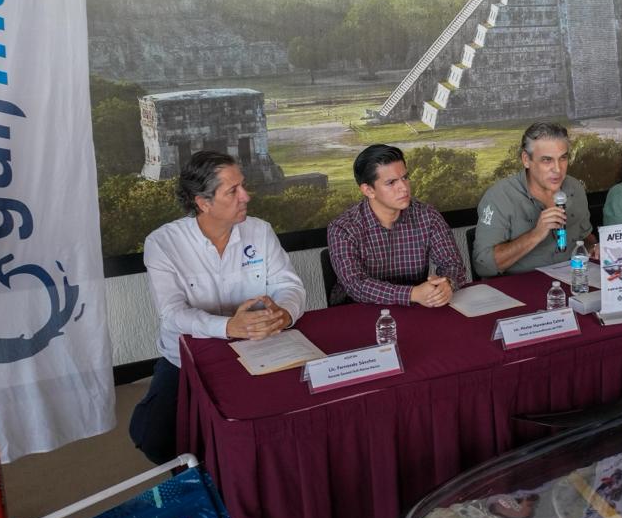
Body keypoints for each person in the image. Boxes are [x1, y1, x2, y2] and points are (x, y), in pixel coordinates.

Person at [131, 151, 304, 464]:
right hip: (189, 357)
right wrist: (227, 327)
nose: (246, 196)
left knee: (287, 424)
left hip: (259, 348)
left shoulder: (260, 231)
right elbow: (172, 313)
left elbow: (290, 286)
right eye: (233, 191)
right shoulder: (163, 243)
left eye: (243, 186)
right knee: (156, 440)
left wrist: (285, 313)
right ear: (203, 202)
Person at [327, 144, 467, 306]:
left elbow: (453, 264)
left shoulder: (427, 215)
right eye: (391, 182)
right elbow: (356, 285)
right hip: (358, 311)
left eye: (405, 177)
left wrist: (446, 284)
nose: (404, 187)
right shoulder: (343, 228)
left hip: (416, 308)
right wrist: (412, 294)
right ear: (368, 190)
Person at [473, 122, 594, 277]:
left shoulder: (575, 188)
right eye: (547, 160)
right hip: (521, 287)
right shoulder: (500, 197)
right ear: (526, 159)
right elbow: (483, 266)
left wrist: (594, 248)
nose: (558, 169)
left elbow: (586, 238)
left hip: (573, 281)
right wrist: (536, 234)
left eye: (563, 158)